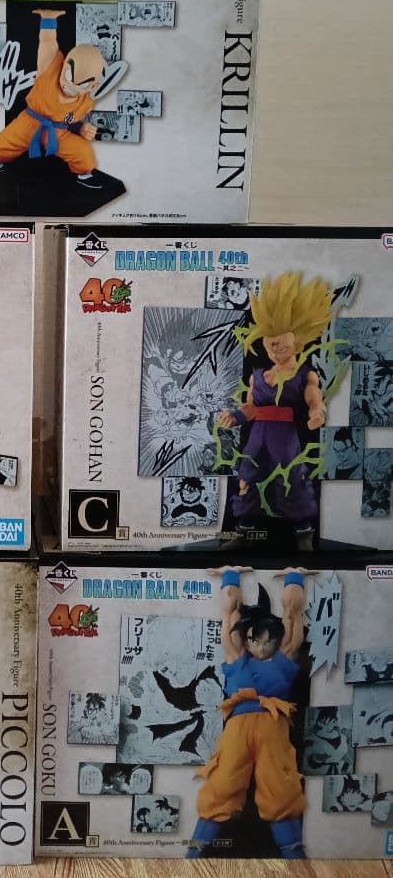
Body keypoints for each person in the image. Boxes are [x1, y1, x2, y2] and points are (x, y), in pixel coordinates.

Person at [186, 566, 311, 859]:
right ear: (248, 639)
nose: (262, 646)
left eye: (268, 641)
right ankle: (194, 854)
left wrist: (294, 577)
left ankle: (295, 857)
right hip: (239, 729)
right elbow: (229, 615)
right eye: (256, 640)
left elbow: (292, 617)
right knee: (222, 787)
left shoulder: (282, 661)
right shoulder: (237, 659)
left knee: (280, 789)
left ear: (275, 640)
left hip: (272, 727)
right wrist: (230, 576)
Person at [217, 273, 334, 549]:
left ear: (298, 344)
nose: (274, 347)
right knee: (247, 478)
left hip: (285, 437)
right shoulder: (258, 375)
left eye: (280, 342)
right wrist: (235, 416)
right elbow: (251, 407)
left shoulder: (305, 374)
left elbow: (315, 400)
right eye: (270, 342)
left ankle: (303, 533)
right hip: (257, 435)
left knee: (291, 479)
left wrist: (317, 413)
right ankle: (243, 531)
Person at [0, 8, 124, 188]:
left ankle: (85, 176)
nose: (68, 86)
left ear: (92, 86)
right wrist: (48, 19)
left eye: (80, 84)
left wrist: (81, 128)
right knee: (0, 144)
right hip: (28, 123)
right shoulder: (50, 69)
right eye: (68, 76)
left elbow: (70, 121)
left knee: (84, 152)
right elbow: (47, 42)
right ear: (64, 65)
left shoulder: (86, 101)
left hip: (58, 133)